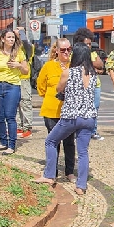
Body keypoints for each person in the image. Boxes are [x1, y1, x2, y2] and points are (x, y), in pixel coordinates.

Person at [34, 43, 97, 196]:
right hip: (88, 117)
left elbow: (58, 89)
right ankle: (81, 186)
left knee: (50, 141)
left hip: (71, 116)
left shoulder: (69, 72)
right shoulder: (93, 74)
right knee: (83, 152)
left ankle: (49, 175)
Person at [37, 37, 77, 182]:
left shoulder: (74, 66)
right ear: (57, 51)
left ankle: (69, 171)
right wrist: (50, 96)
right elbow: (40, 87)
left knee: (69, 142)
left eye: (69, 49)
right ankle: (51, 173)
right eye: (63, 50)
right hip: (51, 110)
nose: (66, 52)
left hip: (68, 111)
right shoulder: (48, 66)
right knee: (53, 142)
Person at [0, 29, 28, 155]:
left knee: (10, 116)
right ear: (3, 39)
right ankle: (3, 142)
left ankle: (11, 144)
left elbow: (26, 71)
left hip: (13, 86)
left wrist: (19, 65)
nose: (11, 39)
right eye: (9, 37)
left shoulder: (19, 53)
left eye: (13, 37)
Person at [73, 27, 105, 140]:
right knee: (80, 109)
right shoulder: (76, 54)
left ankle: (93, 131)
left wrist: (90, 63)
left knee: (94, 109)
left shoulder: (93, 53)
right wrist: (92, 65)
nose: (89, 46)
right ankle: (78, 132)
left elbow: (100, 65)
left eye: (90, 44)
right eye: (87, 44)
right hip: (81, 85)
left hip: (95, 85)